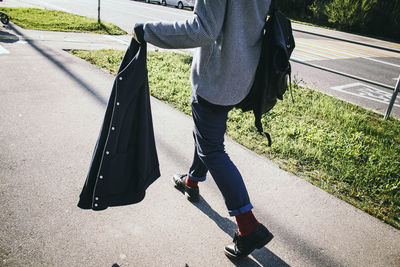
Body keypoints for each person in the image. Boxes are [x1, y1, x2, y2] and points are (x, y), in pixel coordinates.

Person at [132, 0, 273, 259]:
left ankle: (248, 225)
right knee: (207, 137)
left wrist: (146, 31)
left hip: (216, 78)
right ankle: (192, 181)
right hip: (243, 76)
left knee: (212, 149)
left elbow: (202, 30)